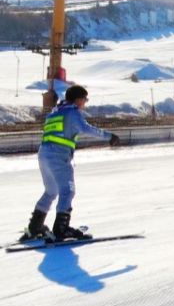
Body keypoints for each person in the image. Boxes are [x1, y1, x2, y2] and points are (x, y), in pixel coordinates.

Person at [22, 84, 121, 242]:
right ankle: (61, 229)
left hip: (44, 155)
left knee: (51, 191)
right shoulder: (72, 113)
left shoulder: (55, 113)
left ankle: (35, 226)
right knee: (68, 191)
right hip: (58, 156)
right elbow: (85, 129)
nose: (85, 103)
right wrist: (109, 136)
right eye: (84, 99)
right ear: (78, 99)